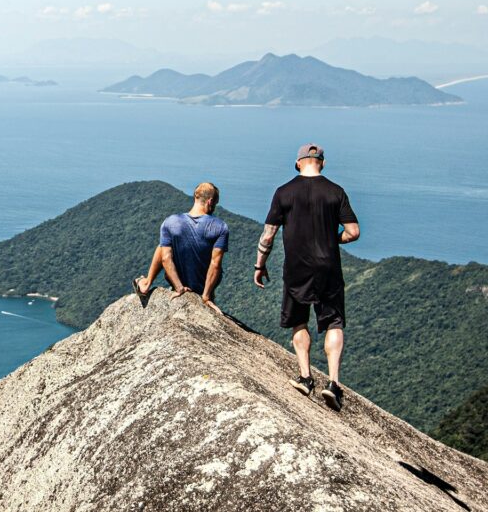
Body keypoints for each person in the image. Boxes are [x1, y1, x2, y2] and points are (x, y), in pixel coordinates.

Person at [253, 143, 359, 411]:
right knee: (334, 321)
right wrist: (334, 240)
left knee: (299, 321)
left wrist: (259, 265)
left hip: (296, 267)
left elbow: (268, 236)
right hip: (328, 266)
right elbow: (353, 232)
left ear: (299, 163)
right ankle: (333, 384)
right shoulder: (336, 192)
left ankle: (305, 377)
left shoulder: (284, 192)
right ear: (321, 163)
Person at [133, 182, 229, 313]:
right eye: (215, 203)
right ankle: (208, 295)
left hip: (179, 284)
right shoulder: (220, 227)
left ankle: (146, 283)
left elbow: (166, 258)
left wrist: (179, 288)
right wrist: (206, 297)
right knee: (165, 245)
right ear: (210, 201)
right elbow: (215, 264)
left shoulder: (170, 222)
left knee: (163, 246)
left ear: (195, 196)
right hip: (202, 288)